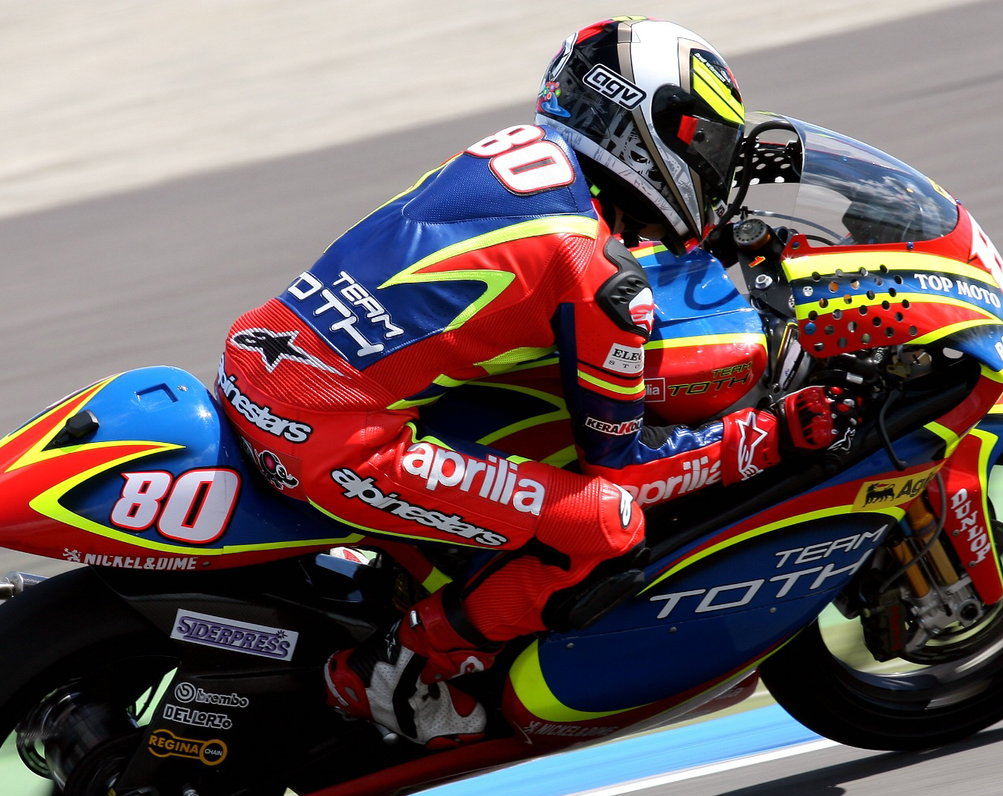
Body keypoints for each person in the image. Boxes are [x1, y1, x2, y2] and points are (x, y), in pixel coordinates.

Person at [216, 17, 847, 749]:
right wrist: (769, 436)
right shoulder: (597, 274)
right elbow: (626, 470)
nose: (709, 163)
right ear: (642, 129)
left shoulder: (517, 156)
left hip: (265, 356)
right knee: (603, 522)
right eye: (700, 141)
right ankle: (398, 670)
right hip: (332, 440)